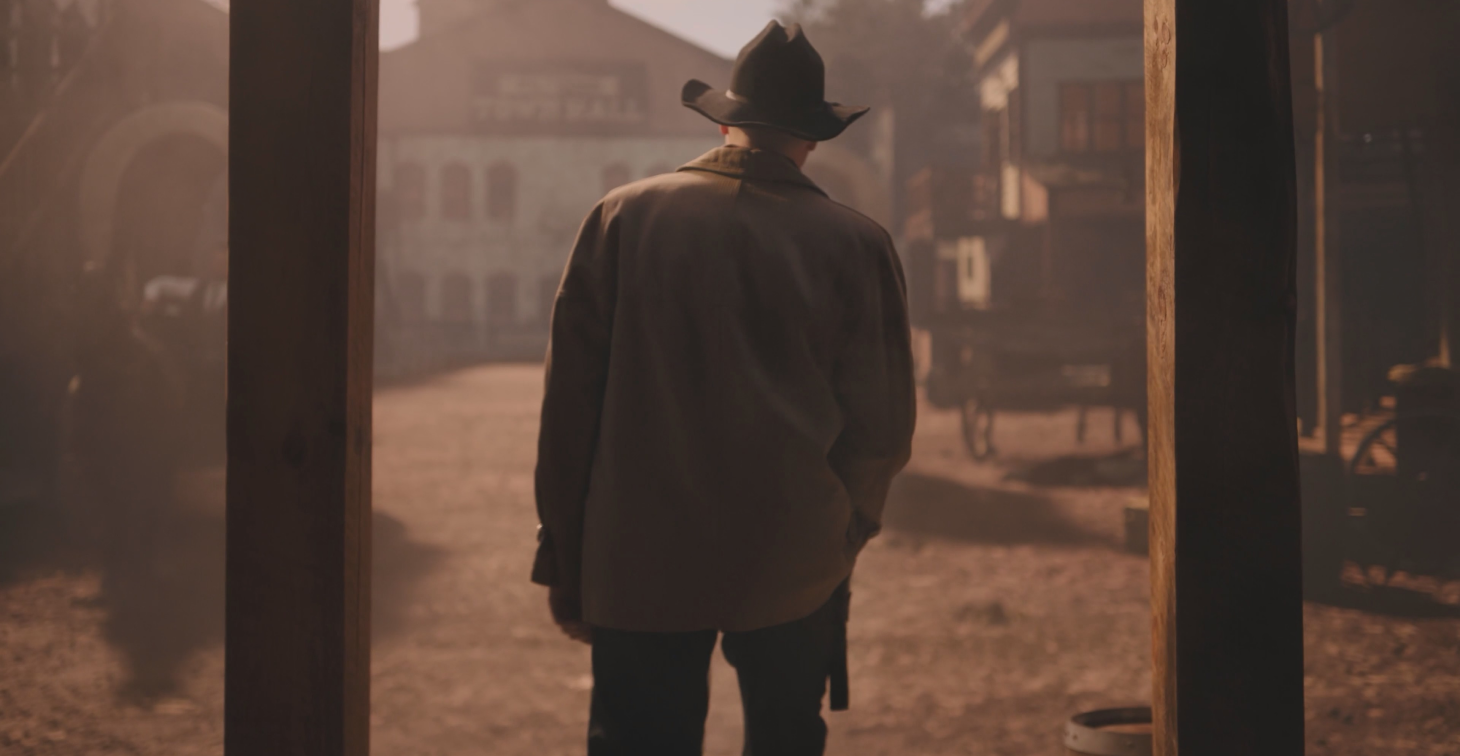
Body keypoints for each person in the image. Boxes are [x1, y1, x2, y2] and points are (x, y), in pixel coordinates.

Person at [533, 21, 916, 755]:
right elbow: (883, 426)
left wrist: (566, 554)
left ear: (723, 122)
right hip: (795, 554)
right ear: (813, 138)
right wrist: (845, 532)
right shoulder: (857, 243)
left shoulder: (622, 217)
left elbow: (569, 412)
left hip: (637, 554)